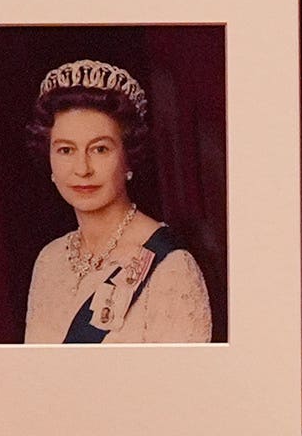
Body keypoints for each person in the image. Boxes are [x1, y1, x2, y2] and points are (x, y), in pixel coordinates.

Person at [20, 58, 214, 343]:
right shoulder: (49, 260)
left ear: (128, 157)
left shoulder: (171, 269)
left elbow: (182, 386)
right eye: (65, 150)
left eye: (100, 149)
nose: (82, 168)